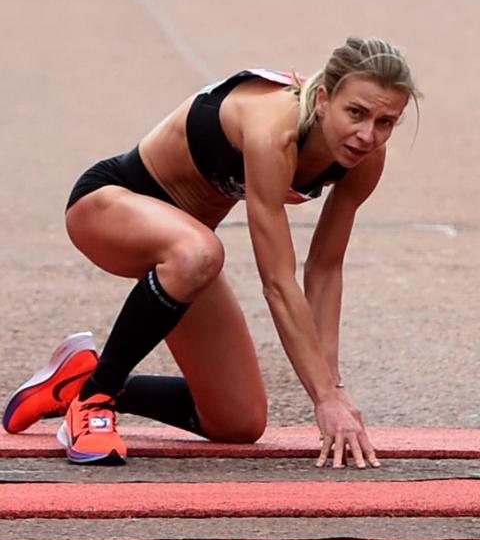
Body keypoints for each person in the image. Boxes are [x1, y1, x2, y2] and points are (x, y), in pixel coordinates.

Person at [2, 37, 420, 468]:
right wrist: (323, 398)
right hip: (108, 206)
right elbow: (277, 282)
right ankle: (92, 404)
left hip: (188, 255)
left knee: (237, 420)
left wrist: (332, 386)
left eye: (386, 122)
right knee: (201, 250)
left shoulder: (364, 158)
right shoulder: (273, 130)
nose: (368, 134)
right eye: (356, 113)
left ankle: (80, 380)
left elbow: (325, 269)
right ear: (323, 99)